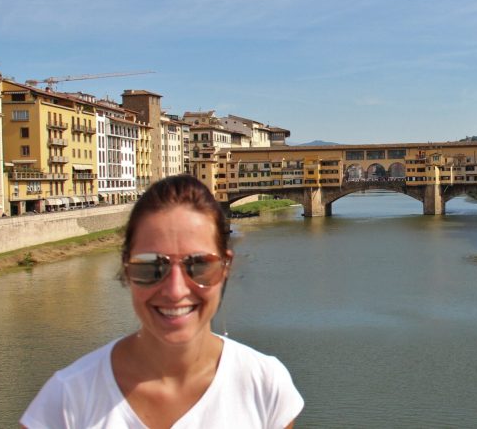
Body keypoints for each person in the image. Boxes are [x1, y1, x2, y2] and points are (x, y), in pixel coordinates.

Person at [21, 176, 304, 428]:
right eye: (150, 266)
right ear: (126, 268)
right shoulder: (66, 401)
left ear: (225, 266)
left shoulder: (265, 385)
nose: (175, 289)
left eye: (199, 265)